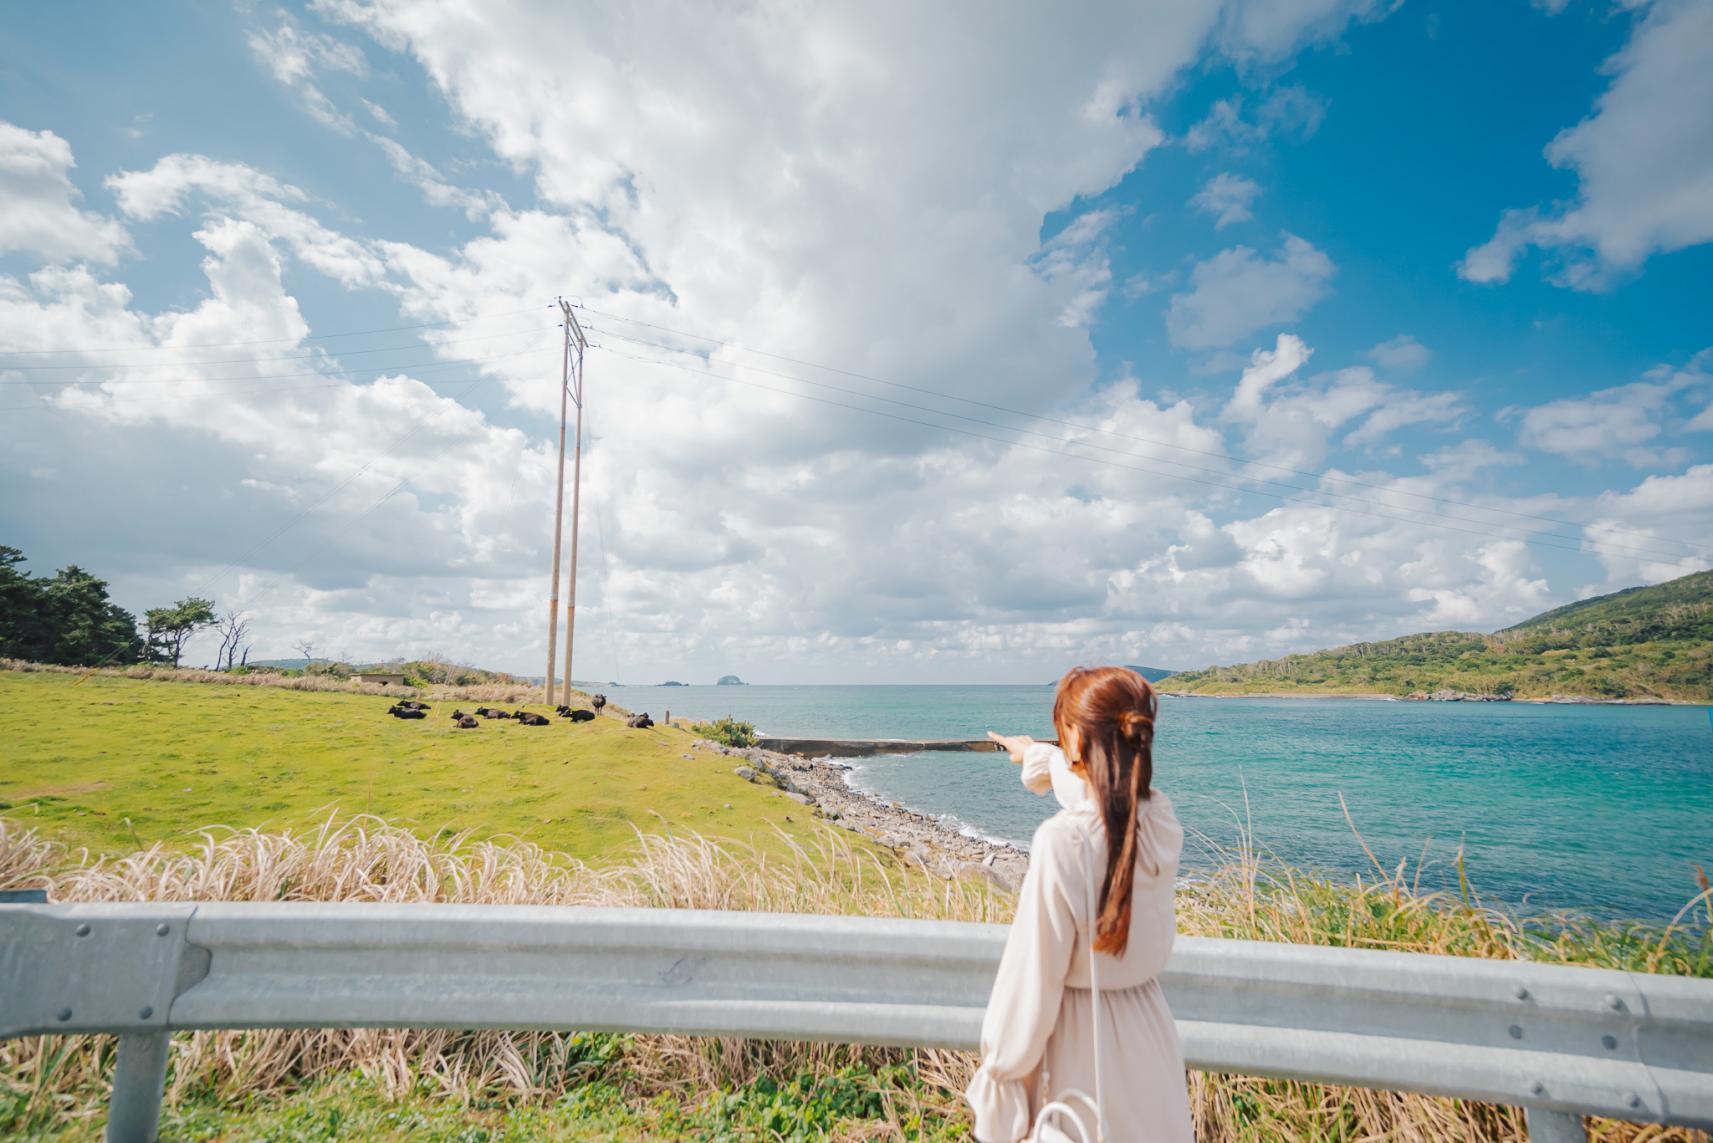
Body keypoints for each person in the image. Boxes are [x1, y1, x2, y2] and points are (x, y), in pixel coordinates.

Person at [967, 666, 1193, 1142]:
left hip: (1081, 1050)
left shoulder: (1062, 842)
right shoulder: (1161, 822)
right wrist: (1041, 758)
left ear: (1073, 737)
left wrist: (998, 1084)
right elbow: (1102, 798)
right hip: (1151, 1041)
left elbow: (1030, 985)